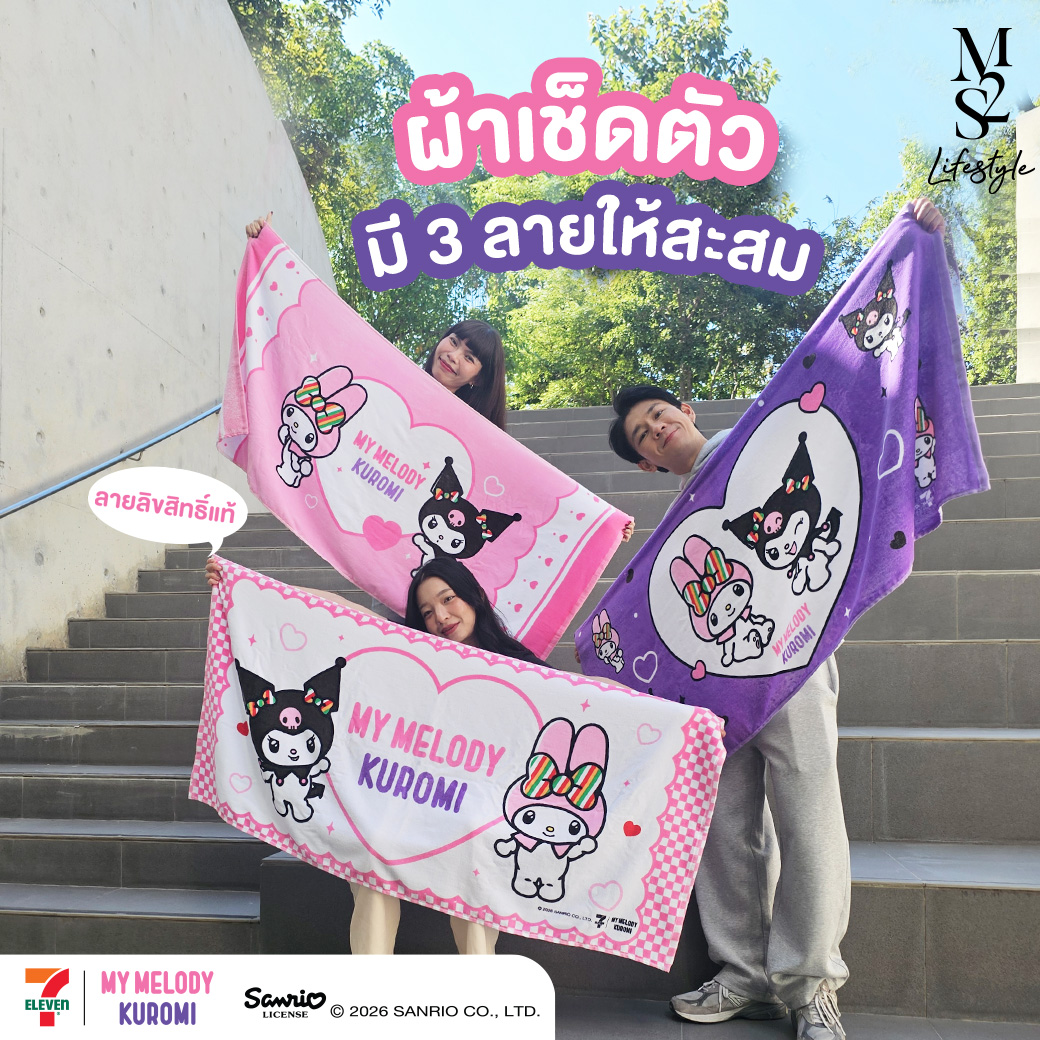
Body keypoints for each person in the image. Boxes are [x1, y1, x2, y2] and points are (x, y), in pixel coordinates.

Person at [605, 199, 944, 1040]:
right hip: (707, 678)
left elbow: (852, 372)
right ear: (644, 461)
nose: (656, 428)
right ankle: (743, 973)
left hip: (791, 654)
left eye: (659, 414)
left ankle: (811, 982)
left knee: (807, 809)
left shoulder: (763, 438)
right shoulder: (673, 532)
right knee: (725, 825)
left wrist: (912, 243)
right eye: (642, 435)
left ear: (685, 409)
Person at [205, 554, 546, 955]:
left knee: (474, 849)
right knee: (373, 848)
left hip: (476, 801)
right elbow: (340, 610)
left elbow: (577, 698)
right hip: (408, 793)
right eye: (427, 611)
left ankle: (479, 980)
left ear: (474, 596)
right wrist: (247, 583)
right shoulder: (412, 651)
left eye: (448, 599)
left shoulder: (519, 666)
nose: (441, 616)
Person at [246, 216, 509, 430]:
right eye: (453, 342)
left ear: (479, 378)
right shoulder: (390, 381)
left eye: (469, 357)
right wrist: (267, 251)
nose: (453, 355)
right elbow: (319, 340)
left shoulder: (471, 436)